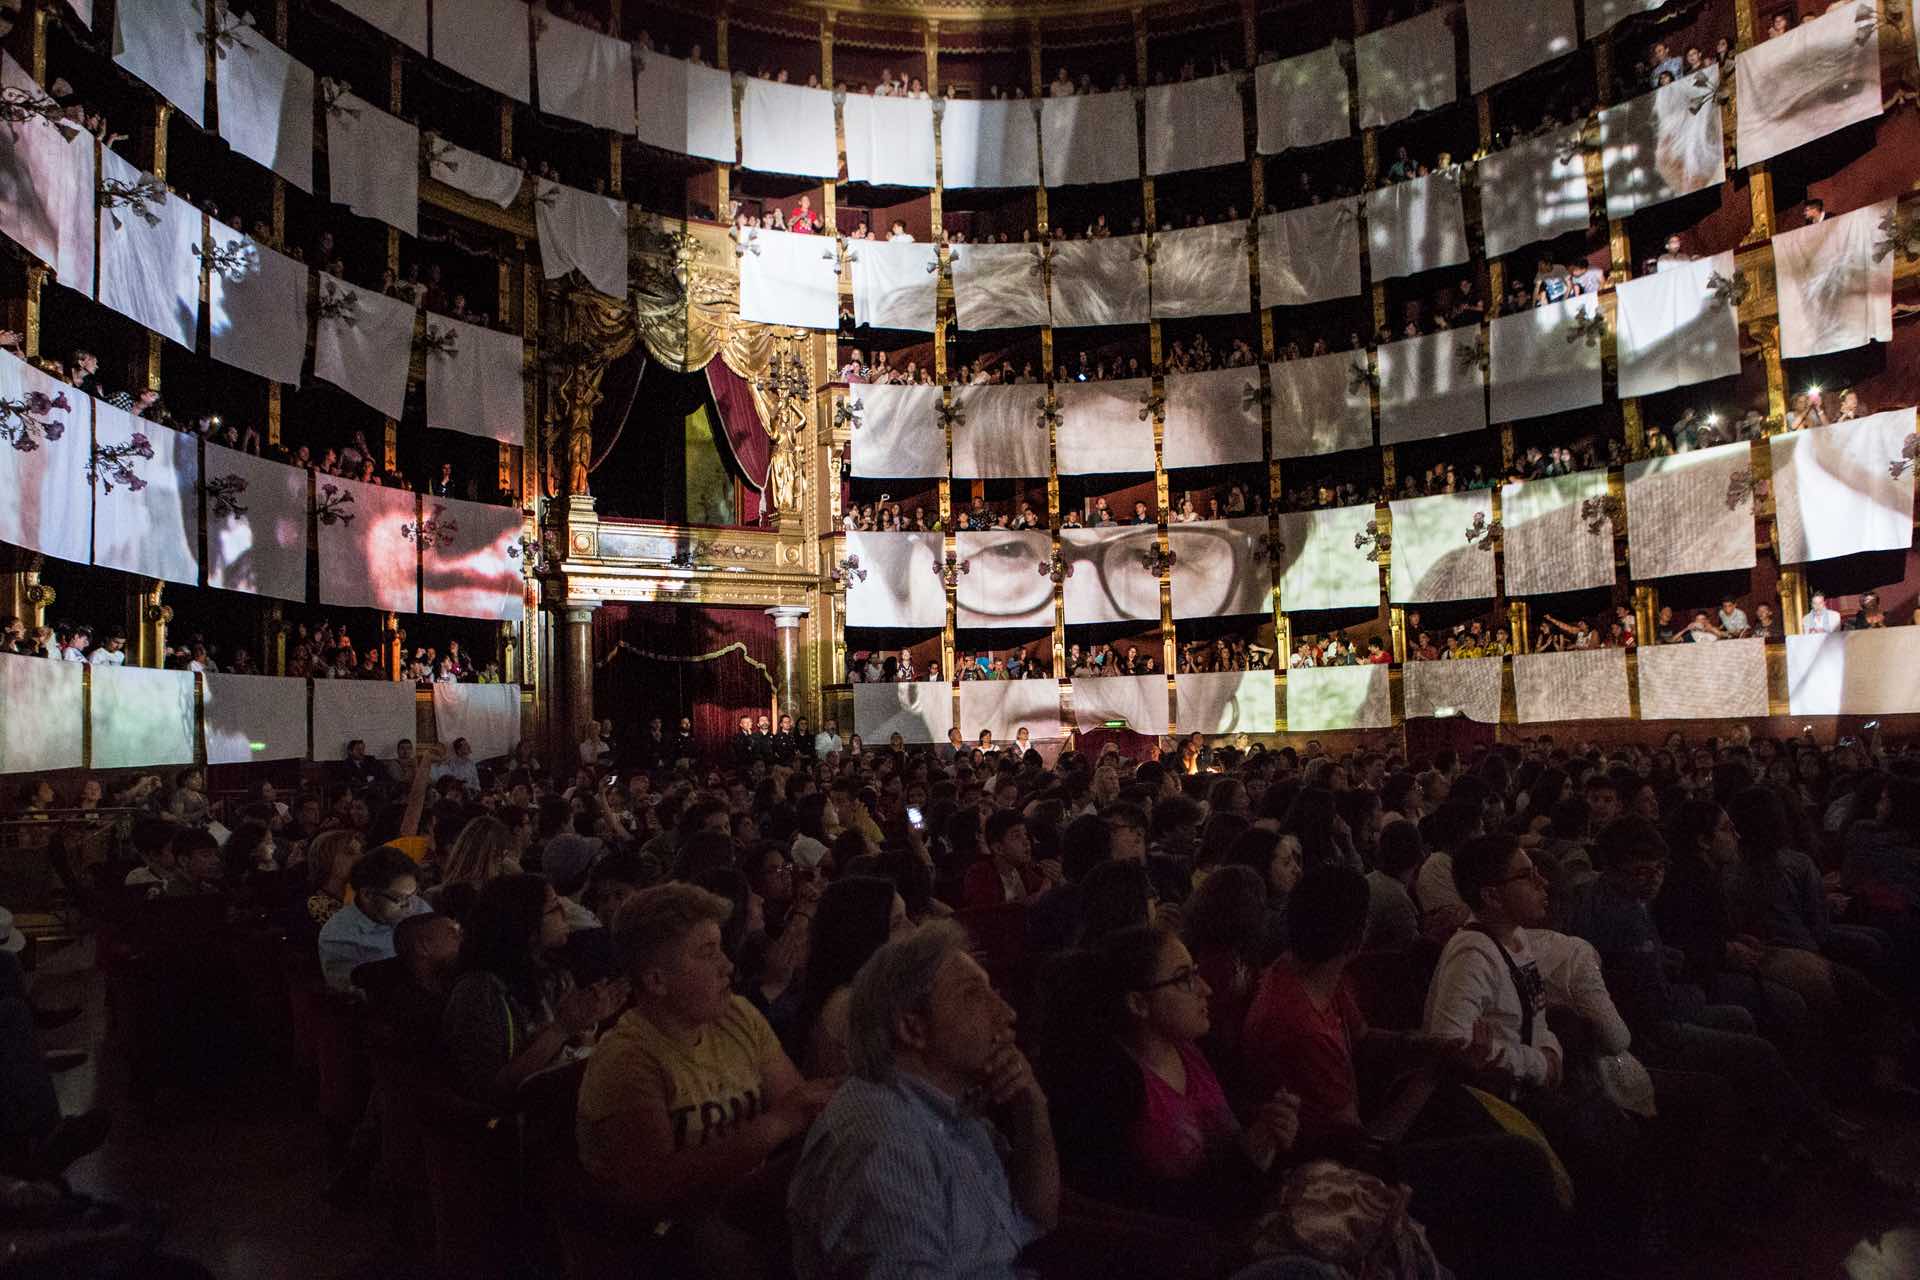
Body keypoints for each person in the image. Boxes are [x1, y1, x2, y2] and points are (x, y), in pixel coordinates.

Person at [787, 921, 1060, 1280]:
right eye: (973, 995)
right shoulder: (884, 1142)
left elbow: (1039, 1213)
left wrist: (1032, 1108)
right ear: (912, 1028)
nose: (1007, 1013)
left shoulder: (950, 1107)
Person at [576, 884, 834, 1259]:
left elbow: (803, 1109)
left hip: (742, 1216)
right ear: (656, 981)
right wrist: (774, 1125)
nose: (727, 965)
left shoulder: (736, 1015)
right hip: (662, 1249)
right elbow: (654, 1192)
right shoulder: (627, 1060)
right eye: (707, 953)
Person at [441, 875, 627, 1103]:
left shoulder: (553, 973)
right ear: (524, 921)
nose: (565, 914)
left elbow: (571, 1052)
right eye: (554, 908)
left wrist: (587, 1023)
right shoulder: (478, 992)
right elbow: (491, 1091)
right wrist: (561, 1029)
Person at [791, 877, 911, 1078]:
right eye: (897, 924)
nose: (913, 929)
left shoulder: (869, 993)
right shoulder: (849, 1006)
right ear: (864, 937)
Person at [317, 845, 431, 992]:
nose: (410, 905)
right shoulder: (338, 937)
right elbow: (351, 996)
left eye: (413, 894)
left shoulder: (418, 906)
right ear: (368, 895)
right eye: (400, 898)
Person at [961, 810, 1060, 908]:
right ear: (998, 848)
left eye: (1025, 834)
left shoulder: (1023, 869)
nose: (1026, 842)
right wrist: (1042, 893)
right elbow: (987, 914)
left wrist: (1053, 880)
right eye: (1017, 836)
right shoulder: (979, 873)